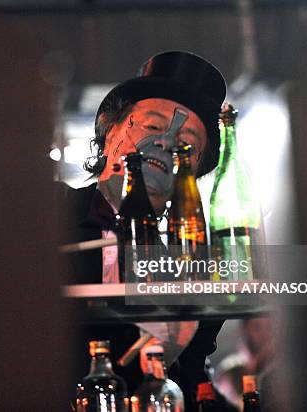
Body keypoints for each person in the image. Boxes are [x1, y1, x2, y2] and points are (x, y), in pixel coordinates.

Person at [62, 51, 235, 411]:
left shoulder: (197, 262)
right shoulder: (47, 213)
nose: (166, 141)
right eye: (153, 126)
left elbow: (191, 381)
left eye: (187, 142)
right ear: (111, 132)